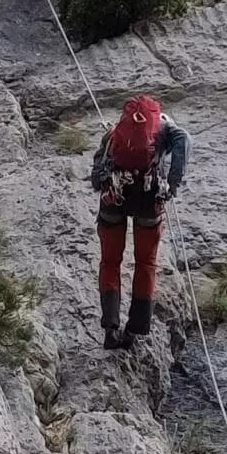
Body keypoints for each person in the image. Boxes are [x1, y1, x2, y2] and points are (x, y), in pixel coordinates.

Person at [89, 93, 187, 347]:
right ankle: (133, 331)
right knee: (146, 263)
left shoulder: (115, 132)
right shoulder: (167, 128)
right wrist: (173, 183)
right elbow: (184, 141)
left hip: (115, 197)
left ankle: (111, 329)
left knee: (110, 262)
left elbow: (96, 173)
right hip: (149, 200)